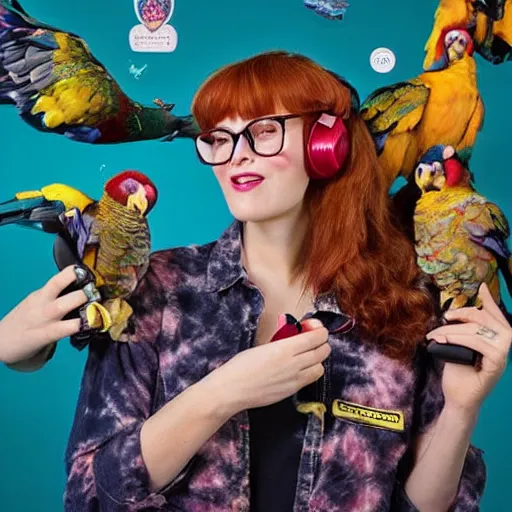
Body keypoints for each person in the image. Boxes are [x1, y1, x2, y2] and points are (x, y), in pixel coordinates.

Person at [1, 51, 510, 511]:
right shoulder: (154, 287)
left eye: (264, 130)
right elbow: (91, 496)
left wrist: (462, 409)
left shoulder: (406, 302)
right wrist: (221, 393)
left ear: (325, 144)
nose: (236, 155)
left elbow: (428, 507)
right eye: (219, 138)